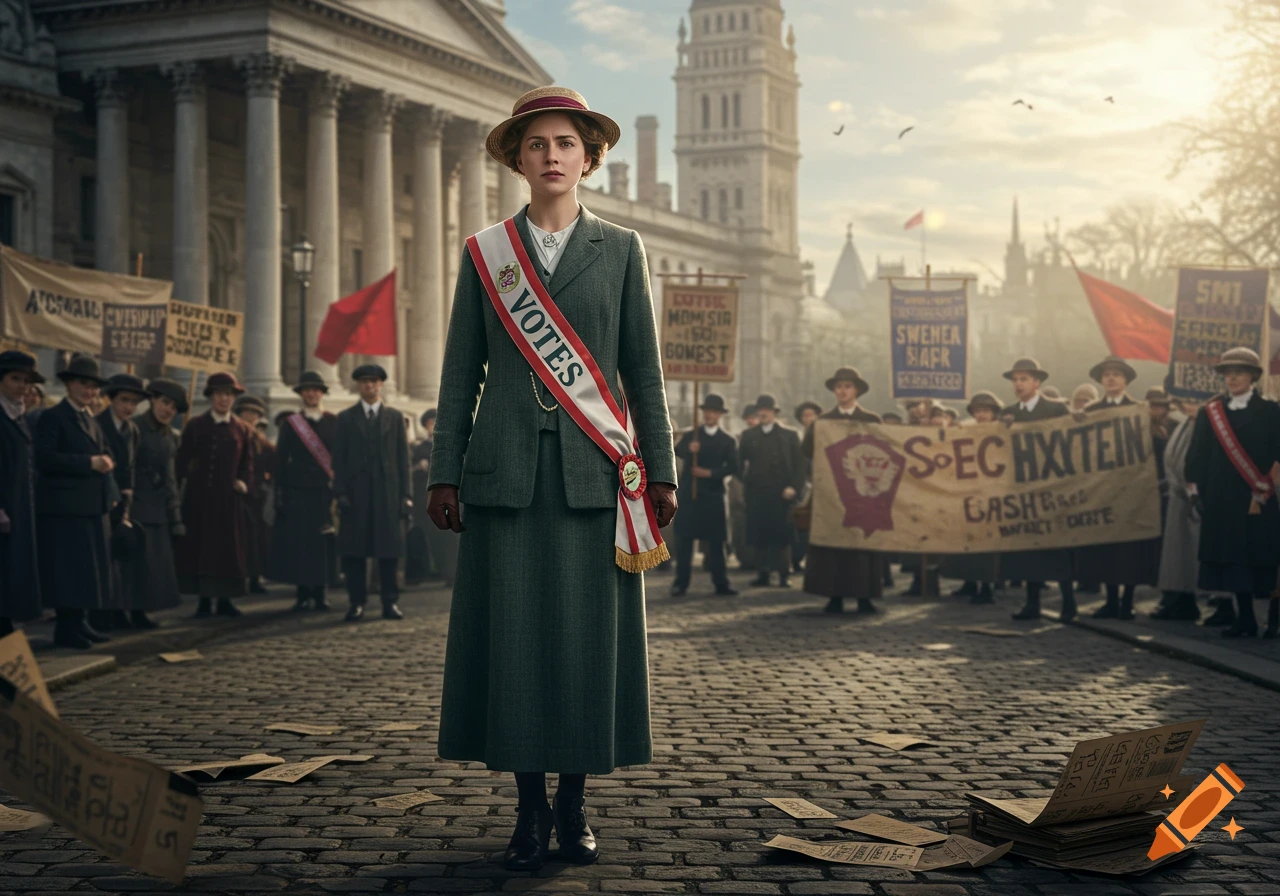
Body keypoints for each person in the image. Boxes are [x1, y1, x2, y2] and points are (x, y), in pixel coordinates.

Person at [426, 87, 677, 873]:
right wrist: (444, 470)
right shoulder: (485, 254)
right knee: (514, 647)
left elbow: (643, 370)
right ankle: (527, 808)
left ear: (590, 157)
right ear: (518, 160)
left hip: (592, 476)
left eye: (566, 143)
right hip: (503, 476)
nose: (552, 156)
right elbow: (461, 369)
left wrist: (661, 470)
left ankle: (574, 802)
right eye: (537, 145)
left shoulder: (623, 249)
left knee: (582, 649)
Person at [1185, 347, 1280, 638]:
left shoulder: (1271, 411)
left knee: (1259, 557)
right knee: (1232, 559)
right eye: (1228, 373)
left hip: (1257, 496)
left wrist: (1267, 485)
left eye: (1239, 372)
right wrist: (1193, 488)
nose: (1233, 378)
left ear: (1253, 376)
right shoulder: (1210, 412)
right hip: (1221, 498)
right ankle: (1246, 618)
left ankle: (1270, 620)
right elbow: (1197, 454)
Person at [35, 354, 116, 648]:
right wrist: (89, 463)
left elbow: (104, 451)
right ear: (69, 384)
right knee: (68, 570)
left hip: (90, 506)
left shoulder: (89, 419)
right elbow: (45, 459)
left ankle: (79, 623)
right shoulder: (53, 417)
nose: (90, 391)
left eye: (94, 387)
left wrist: (107, 462)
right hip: (65, 509)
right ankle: (67, 627)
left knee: (87, 570)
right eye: (84, 384)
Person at [1075, 356, 1159, 621]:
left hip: (1133, 490)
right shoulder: (1092, 410)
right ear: (1101, 380)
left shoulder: (1139, 410)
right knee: (1107, 548)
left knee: (1130, 547)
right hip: (1102, 489)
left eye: (1117, 374)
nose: (1111, 378)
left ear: (1126, 380)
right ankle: (1110, 600)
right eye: (1107, 374)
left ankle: (1127, 601)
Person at [999, 358, 1077, 623]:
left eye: (1024, 379)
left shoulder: (1056, 409)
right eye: (1015, 380)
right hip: (1022, 490)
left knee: (1058, 546)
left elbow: (1069, 446)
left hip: (1053, 487)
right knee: (1029, 547)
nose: (1018, 384)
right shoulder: (1008, 413)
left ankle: (1069, 603)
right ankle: (1032, 604)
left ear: (1037, 382)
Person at [802, 366, 884, 614]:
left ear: (856, 391)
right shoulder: (823, 422)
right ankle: (834, 595)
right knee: (832, 543)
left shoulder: (871, 420)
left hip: (863, 492)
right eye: (839, 387)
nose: (843, 391)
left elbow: (883, 451)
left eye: (847, 386)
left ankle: (864, 597)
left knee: (862, 544)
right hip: (831, 492)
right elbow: (807, 450)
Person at [333, 364, 410, 622]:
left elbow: (403, 460)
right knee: (355, 553)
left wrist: (406, 495)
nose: (369, 386)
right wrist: (340, 492)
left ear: (380, 385)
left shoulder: (395, 418)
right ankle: (356, 603)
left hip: (388, 495)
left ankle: (390, 602)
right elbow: (339, 459)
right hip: (356, 496)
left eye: (374, 381)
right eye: (365, 382)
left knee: (388, 553)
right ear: (358, 385)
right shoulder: (345, 418)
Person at [177, 371, 254, 618]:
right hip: (200, 500)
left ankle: (225, 600)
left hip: (228, 501)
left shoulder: (241, 429)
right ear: (211, 397)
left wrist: (243, 481)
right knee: (202, 549)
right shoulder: (196, 426)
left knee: (226, 550)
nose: (224, 399)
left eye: (229, 395)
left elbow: (247, 463)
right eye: (220, 394)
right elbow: (182, 461)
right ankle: (203, 600)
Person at [271, 370, 338, 612]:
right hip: (297, 490)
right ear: (301, 394)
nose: (312, 394)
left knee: (322, 543)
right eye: (307, 390)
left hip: (324, 491)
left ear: (322, 393)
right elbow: (280, 459)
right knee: (300, 543)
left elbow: (340, 459)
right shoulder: (291, 424)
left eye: (316, 390)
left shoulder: (333, 422)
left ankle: (320, 592)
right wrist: (279, 493)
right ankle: (302, 593)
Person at [128, 377, 186, 626]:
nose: (167, 411)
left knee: (152, 565)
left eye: (173, 408)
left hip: (159, 506)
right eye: (164, 403)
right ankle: (124, 612)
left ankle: (140, 612)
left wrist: (176, 516)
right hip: (135, 505)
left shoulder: (171, 437)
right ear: (152, 401)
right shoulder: (134, 428)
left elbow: (171, 477)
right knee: (134, 564)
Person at [92, 372, 147, 632]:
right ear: (111, 399)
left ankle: (117, 612)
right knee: (100, 560)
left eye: (134, 402)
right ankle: (99, 615)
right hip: (100, 499)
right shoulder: (98, 423)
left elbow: (130, 467)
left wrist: (128, 498)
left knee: (120, 561)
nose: (129, 407)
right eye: (124, 400)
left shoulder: (132, 429)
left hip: (122, 501)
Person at [940, 390, 1003, 604]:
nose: (982, 415)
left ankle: (986, 586)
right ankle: (969, 582)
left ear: (994, 412)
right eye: (978, 410)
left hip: (992, 492)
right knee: (968, 540)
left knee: (987, 543)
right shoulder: (966, 429)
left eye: (986, 410)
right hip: (968, 491)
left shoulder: (1002, 430)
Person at [671, 394, 738, 597]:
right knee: (684, 543)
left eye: (713, 412)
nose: (709, 415)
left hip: (713, 496)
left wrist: (710, 473)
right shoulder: (693, 436)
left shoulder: (727, 440)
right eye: (706, 411)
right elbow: (676, 450)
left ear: (720, 415)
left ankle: (721, 584)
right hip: (690, 496)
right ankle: (680, 584)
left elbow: (733, 467)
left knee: (716, 544)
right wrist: (688, 448)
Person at [739, 393, 805, 588]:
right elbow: (738, 462)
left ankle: (785, 573)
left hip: (782, 492)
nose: (763, 414)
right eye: (761, 411)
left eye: (767, 410)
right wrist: (746, 481)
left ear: (774, 412)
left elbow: (800, 466)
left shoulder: (789, 435)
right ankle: (763, 573)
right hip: (758, 492)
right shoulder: (749, 435)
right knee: (760, 534)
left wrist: (793, 487)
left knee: (783, 535)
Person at [0, 351, 44, 637]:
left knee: (12, 574)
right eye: (15, 379)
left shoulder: (18, 416)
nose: (22, 387)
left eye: (26, 381)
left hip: (18, 506)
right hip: (3, 508)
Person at [1155, 390, 1203, 622]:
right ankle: (1179, 600)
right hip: (1177, 496)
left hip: (1195, 496)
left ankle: (1220, 604)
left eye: (1195, 399)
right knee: (1177, 554)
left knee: (1194, 552)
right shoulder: (1185, 424)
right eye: (1186, 399)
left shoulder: (1205, 426)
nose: (1189, 404)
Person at [233, 394, 273, 595]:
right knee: (237, 539)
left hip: (256, 497)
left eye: (254, 414)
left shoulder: (261, 440)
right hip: (235, 495)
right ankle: (238, 579)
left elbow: (273, 461)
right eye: (247, 413)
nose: (250, 417)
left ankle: (256, 578)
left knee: (257, 540)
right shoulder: (233, 435)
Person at [406, 408, 437, 584]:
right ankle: (422, 572)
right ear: (426, 426)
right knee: (423, 533)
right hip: (424, 498)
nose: (434, 426)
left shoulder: (453, 444)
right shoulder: (420, 448)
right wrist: (419, 467)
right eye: (431, 423)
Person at [791, 400, 823, 573]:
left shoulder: (824, 435)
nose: (809, 418)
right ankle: (796, 559)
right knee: (801, 524)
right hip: (803, 486)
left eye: (812, 415)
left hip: (821, 486)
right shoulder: (797, 437)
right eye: (805, 415)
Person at [728, 403, 758, 570]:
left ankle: (757, 559)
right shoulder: (740, 438)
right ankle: (744, 557)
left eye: (754, 418)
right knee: (740, 523)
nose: (751, 421)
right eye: (749, 419)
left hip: (758, 487)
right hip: (740, 484)